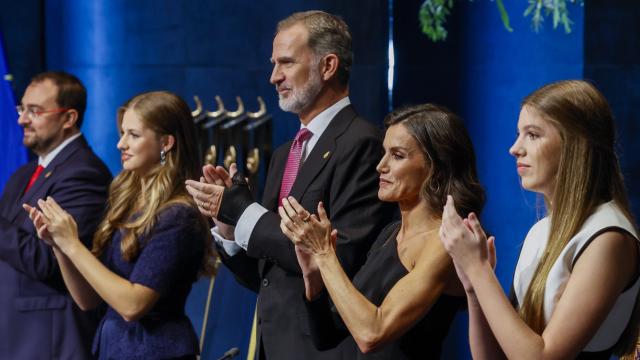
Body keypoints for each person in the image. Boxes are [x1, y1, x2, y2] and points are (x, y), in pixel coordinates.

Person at [185, 10, 395, 359]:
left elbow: (339, 261)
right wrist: (228, 225)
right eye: (273, 64)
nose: (273, 77)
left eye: (285, 63)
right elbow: (267, 276)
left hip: (323, 348)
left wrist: (244, 210)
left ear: (328, 66)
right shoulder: (286, 154)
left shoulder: (363, 144)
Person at [439, 80, 640, 359]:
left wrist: (479, 269)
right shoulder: (540, 231)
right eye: (518, 134)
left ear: (575, 144)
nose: (514, 148)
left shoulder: (609, 237)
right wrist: (473, 288)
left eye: (532, 135)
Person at [278, 104, 485, 359]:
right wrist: (314, 278)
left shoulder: (445, 242)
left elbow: (372, 334)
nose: (380, 166)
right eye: (383, 153)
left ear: (436, 167)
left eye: (397, 155)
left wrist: (325, 254)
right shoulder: (390, 233)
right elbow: (327, 336)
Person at [25, 91, 214, 359]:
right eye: (122, 133)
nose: (120, 144)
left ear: (166, 143)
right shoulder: (128, 203)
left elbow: (132, 305)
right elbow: (87, 300)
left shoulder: (179, 215)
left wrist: (72, 243)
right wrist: (59, 245)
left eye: (133, 135)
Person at [0, 71, 111, 359]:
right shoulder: (23, 174)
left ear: (68, 118)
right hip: (16, 334)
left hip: (49, 340)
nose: (22, 119)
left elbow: (48, 260)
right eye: (22, 109)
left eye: (34, 111)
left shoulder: (84, 174)